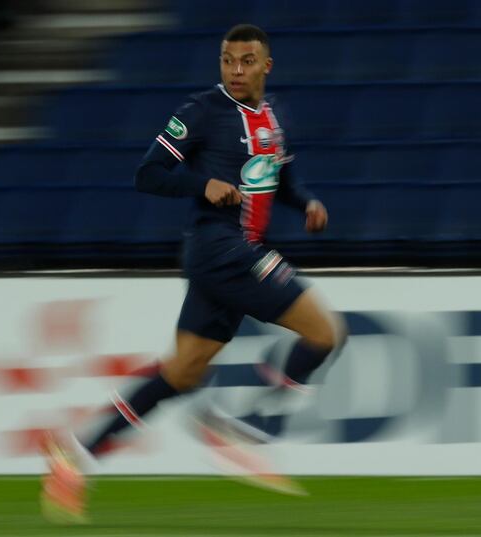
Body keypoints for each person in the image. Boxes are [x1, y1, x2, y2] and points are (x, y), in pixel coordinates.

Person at [40, 23, 346, 523]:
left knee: (182, 372)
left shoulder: (272, 116)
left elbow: (282, 177)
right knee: (324, 331)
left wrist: (306, 201)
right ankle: (247, 429)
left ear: (266, 66)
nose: (236, 70)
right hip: (222, 248)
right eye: (228, 60)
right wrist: (202, 185)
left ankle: (75, 453)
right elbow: (149, 173)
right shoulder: (201, 111)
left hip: (230, 254)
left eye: (246, 61)